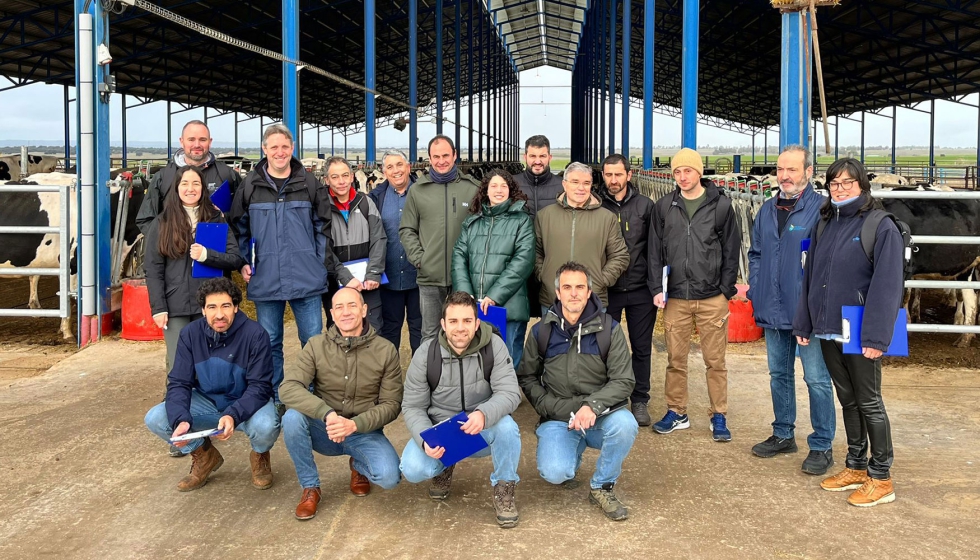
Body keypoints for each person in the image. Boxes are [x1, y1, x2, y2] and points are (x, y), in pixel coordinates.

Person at [793, 157, 904, 507]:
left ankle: (881, 476)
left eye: (847, 183)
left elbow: (887, 286)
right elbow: (809, 278)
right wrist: (805, 322)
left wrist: (875, 337)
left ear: (862, 186)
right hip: (828, 327)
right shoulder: (825, 222)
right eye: (834, 183)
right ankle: (856, 465)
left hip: (859, 328)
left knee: (870, 401)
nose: (839, 189)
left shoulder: (880, 225)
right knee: (848, 398)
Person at [517, 262, 638, 521]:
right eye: (567, 287)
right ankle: (571, 452)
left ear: (589, 291)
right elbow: (527, 377)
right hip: (558, 417)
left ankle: (602, 486)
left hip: (600, 416)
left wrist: (592, 406)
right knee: (555, 473)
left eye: (580, 287)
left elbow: (624, 380)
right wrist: (550, 407)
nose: (574, 293)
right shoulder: (541, 331)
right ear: (557, 293)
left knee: (626, 425)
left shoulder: (610, 329)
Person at [228, 124, 336, 408]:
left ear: (293, 148)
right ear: (264, 149)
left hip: (306, 276)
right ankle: (277, 396)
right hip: (265, 276)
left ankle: (311, 394)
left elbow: (323, 228)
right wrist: (243, 262)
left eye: (284, 146)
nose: (279, 152)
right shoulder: (249, 185)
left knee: (312, 341)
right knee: (270, 341)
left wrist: (318, 265)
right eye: (273, 146)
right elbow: (239, 228)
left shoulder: (309, 183)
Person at [747, 145, 836, 475]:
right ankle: (783, 433)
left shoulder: (823, 210)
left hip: (807, 312)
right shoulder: (767, 210)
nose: (784, 176)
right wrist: (756, 291)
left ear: (809, 172)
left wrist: (815, 306)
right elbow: (755, 253)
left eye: (792, 170)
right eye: (780, 169)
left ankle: (822, 443)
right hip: (771, 306)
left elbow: (829, 263)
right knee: (779, 374)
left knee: (816, 378)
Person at [399, 291, 523, 528]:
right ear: (443, 324)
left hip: (480, 428)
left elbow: (510, 392)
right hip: (443, 430)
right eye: (453, 321)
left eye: (467, 321)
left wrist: (484, 414)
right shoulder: (426, 353)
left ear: (477, 323)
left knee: (507, 427)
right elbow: (413, 406)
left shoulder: (494, 346)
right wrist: (426, 440)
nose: (460, 328)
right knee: (412, 469)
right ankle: (444, 466)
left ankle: (505, 488)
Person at [144, 278, 280, 492]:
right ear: (203, 310)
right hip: (207, 402)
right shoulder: (189, 335)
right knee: (156, 418)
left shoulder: (256, 335)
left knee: (266, 425)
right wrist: (180, 419)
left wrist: (233, 415)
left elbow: (260, 387)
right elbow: (179, 382)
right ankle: (204, 455)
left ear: (236, 307)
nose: (219, 314)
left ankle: (260, 454)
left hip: (244, 403)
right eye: (212, 307)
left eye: (226, 306)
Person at [279, 287, 403, 520]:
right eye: (339, 307)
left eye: (352, 305)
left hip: (363, 431)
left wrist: (355, 424)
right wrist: (326, 414)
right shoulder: (316, 345)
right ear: (332, 314)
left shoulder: (386, 350)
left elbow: (392, 404)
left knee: (390, 477)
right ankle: (310, 487)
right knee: (292, 418)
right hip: (325, 428)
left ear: (364, 310)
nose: (346, 312)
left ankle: (358, 466)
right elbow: (288, 388)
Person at [648, 148, 741, 442]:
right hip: (675, 296)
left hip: (712, 296)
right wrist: (656, 288)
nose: (682, 177)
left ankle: (719, 415)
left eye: (687, 171)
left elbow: (731, 250)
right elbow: (654, 251)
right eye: (677, 172)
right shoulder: (664, 207)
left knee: (715, 361)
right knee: (676, 359)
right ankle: (677, 411)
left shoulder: (721, 206)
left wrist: (726, 289)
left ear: (699, 172)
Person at [145, 165, 246, 374]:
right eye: (185, 183)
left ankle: (209, 405)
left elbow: (235, 258)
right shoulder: (162, 223)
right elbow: (153, 269)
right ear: (176, 188)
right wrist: (158, 308)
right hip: (175, 305)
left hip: (211, 303)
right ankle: (174, 404)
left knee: (210, 361)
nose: (190, 188)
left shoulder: (215, 219)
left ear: (203, 188)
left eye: (196, 183)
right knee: (178, 362)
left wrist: (207, 256)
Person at [399, 135, 480, 341]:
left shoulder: (472, 188)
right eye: (436, 156)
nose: (441, 160)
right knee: (430, 334)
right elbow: (407, 229)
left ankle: (462, 373)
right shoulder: (417, 190)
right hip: (429, 277)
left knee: (463, 333)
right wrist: (420, 259)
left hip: (463, 278)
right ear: (429, 158)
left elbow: (482, 228)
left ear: (455, 156)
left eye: (445, 155)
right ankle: (433, 374)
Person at [451, 169, 535, 369]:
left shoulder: (521, 220)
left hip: (508, 306)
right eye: (494, 186)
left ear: (511, 190)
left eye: (504, 186)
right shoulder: (472, 222)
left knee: (506, 360)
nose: (499, 190)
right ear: (485, 191)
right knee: (478, 360)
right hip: (476, 305)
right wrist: (465, 293)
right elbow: (458, 257)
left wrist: (494, 296)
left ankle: (507, 399)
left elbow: (523, 261)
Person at [598, 154, 657, 426]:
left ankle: (640, 399)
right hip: (607, 289)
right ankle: (608, 398)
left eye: (618, 175)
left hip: (640, 289)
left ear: (629, 175)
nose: (613, 180)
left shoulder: (646, 206)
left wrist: (656, 286)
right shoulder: (596, 205)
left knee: (641, 347)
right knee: (604, 347)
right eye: (608, 175)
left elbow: (655, 250)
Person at [534, 161, 629, 316]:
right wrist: (544, 275)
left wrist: (599, 281)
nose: (581, 188)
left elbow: (620, 256)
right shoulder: (545, 215)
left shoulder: (606, 218)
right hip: (553, 299)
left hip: (592, 300)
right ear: (564, 184)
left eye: (586, 183)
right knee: (551, 340)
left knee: (591, 341)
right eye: (575, 182)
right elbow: (536, 252)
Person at [136, 120, 241, 234]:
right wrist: (166, 241)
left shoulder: (228, 175)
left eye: (202, 139)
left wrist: (224, 220)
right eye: (191, 139)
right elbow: (146, 219)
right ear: (182, 142)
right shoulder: (163, 177)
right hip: (174, 249)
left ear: (210, 142)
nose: (197, 145)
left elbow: (242, 216)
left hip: (214, 249)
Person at [321, 156, 386, 331]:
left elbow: (378, 238)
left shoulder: (366, 203)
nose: (341, 181)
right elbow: (322, 246)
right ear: (326, 180)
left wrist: (374, 272)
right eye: (334, 177)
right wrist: (344, 276)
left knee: (373, 329)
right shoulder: (321, 208)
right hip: (336, 281)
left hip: (367, 282)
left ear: (352, 177)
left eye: (345, 175)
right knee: (339, 329)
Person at [369, 149, 423, 354]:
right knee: (390, 331)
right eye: (390, 167)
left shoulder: (423, 192)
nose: (396, 170)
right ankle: (390, 379)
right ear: (384, 172)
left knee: (421, 331)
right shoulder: (376, 197)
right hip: (389, 278)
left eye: (399, 165)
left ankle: (422, 379)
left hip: (420, 277)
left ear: (409, 167)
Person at [514, 135, 565, 321]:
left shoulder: (561, 186)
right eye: (533, 156)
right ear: (524, 156)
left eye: (542, 156)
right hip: (519, 260)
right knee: (517, 318)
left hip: (551, 260)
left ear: (550, 157)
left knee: (552, 321)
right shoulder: (512, 185)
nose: (537, 161)